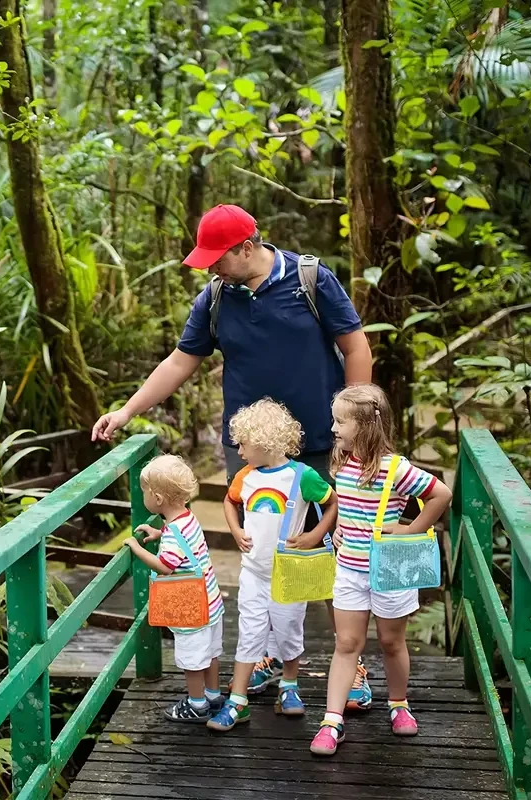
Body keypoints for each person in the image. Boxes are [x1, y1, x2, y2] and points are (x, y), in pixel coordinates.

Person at [92, 203, 375, 702]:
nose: (210, 268)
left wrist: (357, 426)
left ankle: (350, 665)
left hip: (320, 444)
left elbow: (355, 347)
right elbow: (181, 361)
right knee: (260, 552)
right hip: (251, 453)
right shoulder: (216, 298)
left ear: (248, 248)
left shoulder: (311, 280)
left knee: (328, 548)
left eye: (217, 258)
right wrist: (127, 411)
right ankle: (267, 655)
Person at [309, 385, 453, 756]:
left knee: (391, 642)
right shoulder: (341, 460)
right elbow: (348, 502)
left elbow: (441, 494)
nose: (334, 428)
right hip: (350, 571)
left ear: (367, 426)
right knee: (346, 644)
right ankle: (331, 720)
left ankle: (398, 703)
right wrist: (341, 527)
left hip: (391, 568)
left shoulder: (397, 468)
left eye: (341, 421)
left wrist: (411, 529)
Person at [207, 399, 337, 732]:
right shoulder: (245, 477)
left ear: (265, 442)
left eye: (243, 443)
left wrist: (315, 534)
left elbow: (331, 502)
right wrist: (235, 529)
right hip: (252, 572)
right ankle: (238, 700)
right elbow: (229, 500)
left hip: (289, 573)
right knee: (249, 634)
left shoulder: (302, 476)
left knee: (290, 630)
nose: (238, 449)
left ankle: (289, 687)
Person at [123, 454, 225, 723]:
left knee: (193, 660)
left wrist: (136, 549)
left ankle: (197, 704)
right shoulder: (187, 519)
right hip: (211, 602)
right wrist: (161, 534)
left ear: (157, 499)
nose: (142, 495)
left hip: (192, 610)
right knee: (211, 653)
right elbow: (181, 541)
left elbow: (165, 565)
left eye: (144, 491)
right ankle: (213, 696)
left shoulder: (174, 532)